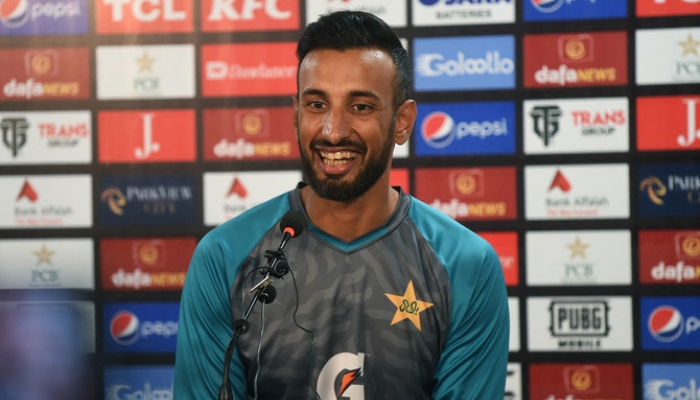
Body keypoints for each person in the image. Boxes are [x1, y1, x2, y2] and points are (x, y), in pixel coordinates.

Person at [174, 10, 509, 400]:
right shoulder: (224, 256)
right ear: (296, 112)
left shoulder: (465, 263)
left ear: (402, 122)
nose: (333, 131)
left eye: (361, 107)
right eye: (316, 105)